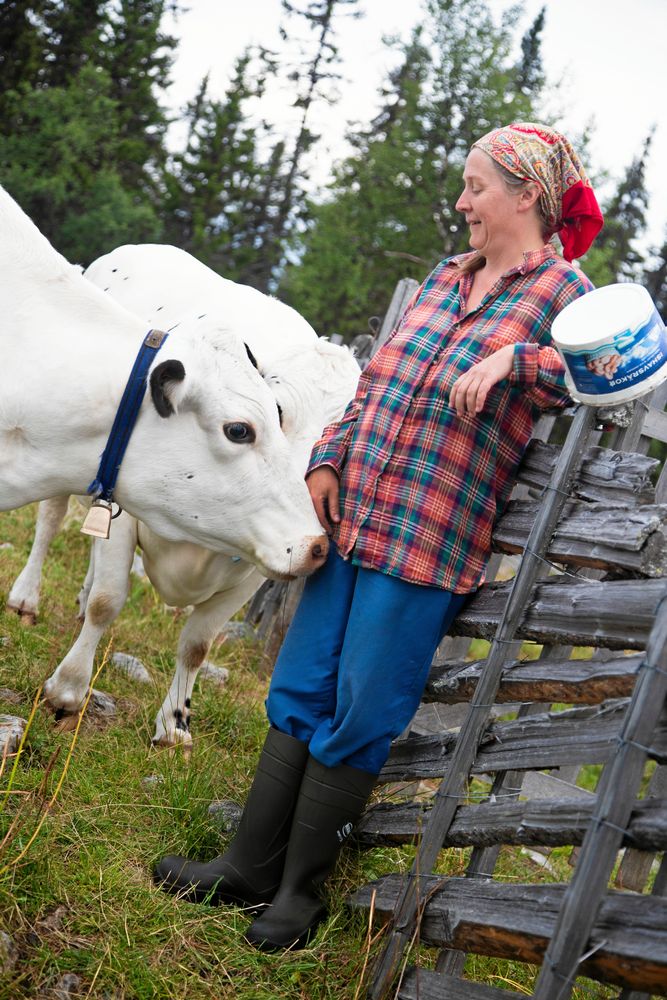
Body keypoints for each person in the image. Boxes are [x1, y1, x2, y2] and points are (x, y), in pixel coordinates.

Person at [154, 122, 603, 951]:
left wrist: (514, 365)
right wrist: (326, 459)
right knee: (300, 686)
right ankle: (246, 865)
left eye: (476, 187)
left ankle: (298, 893)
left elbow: (597, 377)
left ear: (525, 196)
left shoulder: (561, 295)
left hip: (429, 536)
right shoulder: (443, 278)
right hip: (350, 511)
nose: (462, 202)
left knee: (363, 708)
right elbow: (372, 387)